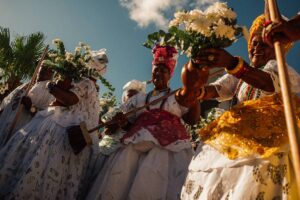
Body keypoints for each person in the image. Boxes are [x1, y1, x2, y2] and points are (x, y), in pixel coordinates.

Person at [181, 14, 300, 200]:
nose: (257, 48)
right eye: (254, 43)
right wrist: (196, 86)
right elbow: (217, 89)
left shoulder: (279, 67)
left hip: (271, 138)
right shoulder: (236, 74)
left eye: (264, 44)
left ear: (278, 48)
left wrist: (232, 63)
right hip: (234, 134)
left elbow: (269, 83)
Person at [86, 44, 201, 200]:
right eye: (156, 70)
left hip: (168, 148)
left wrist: (195, 93)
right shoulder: (139, 99)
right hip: (134, 145)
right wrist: (121, 121)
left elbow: (193, 120)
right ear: (152, 72)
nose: (159, 73)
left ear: (170, 75)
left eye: (164, 70)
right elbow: (125, 123)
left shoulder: (177, 96)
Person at [0, 49, 106, 199]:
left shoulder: (86, 83)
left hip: (60, 131)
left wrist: (52, 87)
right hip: (61, 129)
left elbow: (69, 100)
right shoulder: (88, 85)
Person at [0, 65, 54, 147]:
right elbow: (9, 103)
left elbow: (44, 117)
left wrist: (30, 107)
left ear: (52, 74)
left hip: (20, 131)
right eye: (43, 67)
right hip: (4, 125)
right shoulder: (26, 85)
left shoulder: (50, 93)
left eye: (49, 70)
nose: (44, 70)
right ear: (38, 68)